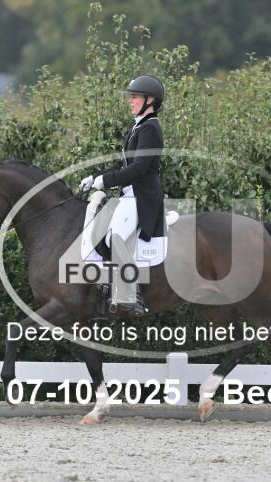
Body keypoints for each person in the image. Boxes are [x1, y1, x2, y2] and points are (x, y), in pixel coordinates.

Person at [79, 75, 166, 316]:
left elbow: (138, 169)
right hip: (130, 194)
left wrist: (106, 181)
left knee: (115, 233)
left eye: (135, 97)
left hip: (143, 195)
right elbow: (122, 166)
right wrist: (96, 177)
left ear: (150, 100)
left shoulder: (150, 128)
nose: (130, 101)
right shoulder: (137, 127)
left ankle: (131, 294)